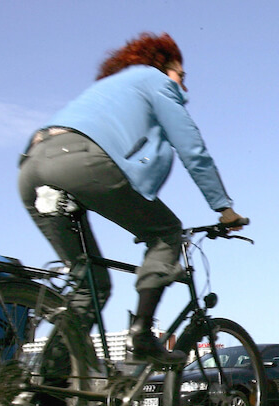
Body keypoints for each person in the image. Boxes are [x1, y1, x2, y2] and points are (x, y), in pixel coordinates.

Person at [18, 32, 244, 366]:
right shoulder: (154, 81)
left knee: (89, 284)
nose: (183, 86)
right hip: (79, 163)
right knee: (166, 232)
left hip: (31, 167)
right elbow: (192, 149)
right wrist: (224, 208)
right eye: (181, 76)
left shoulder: (108, 88)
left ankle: (50, 385)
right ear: (162, 67)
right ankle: (141, 335)